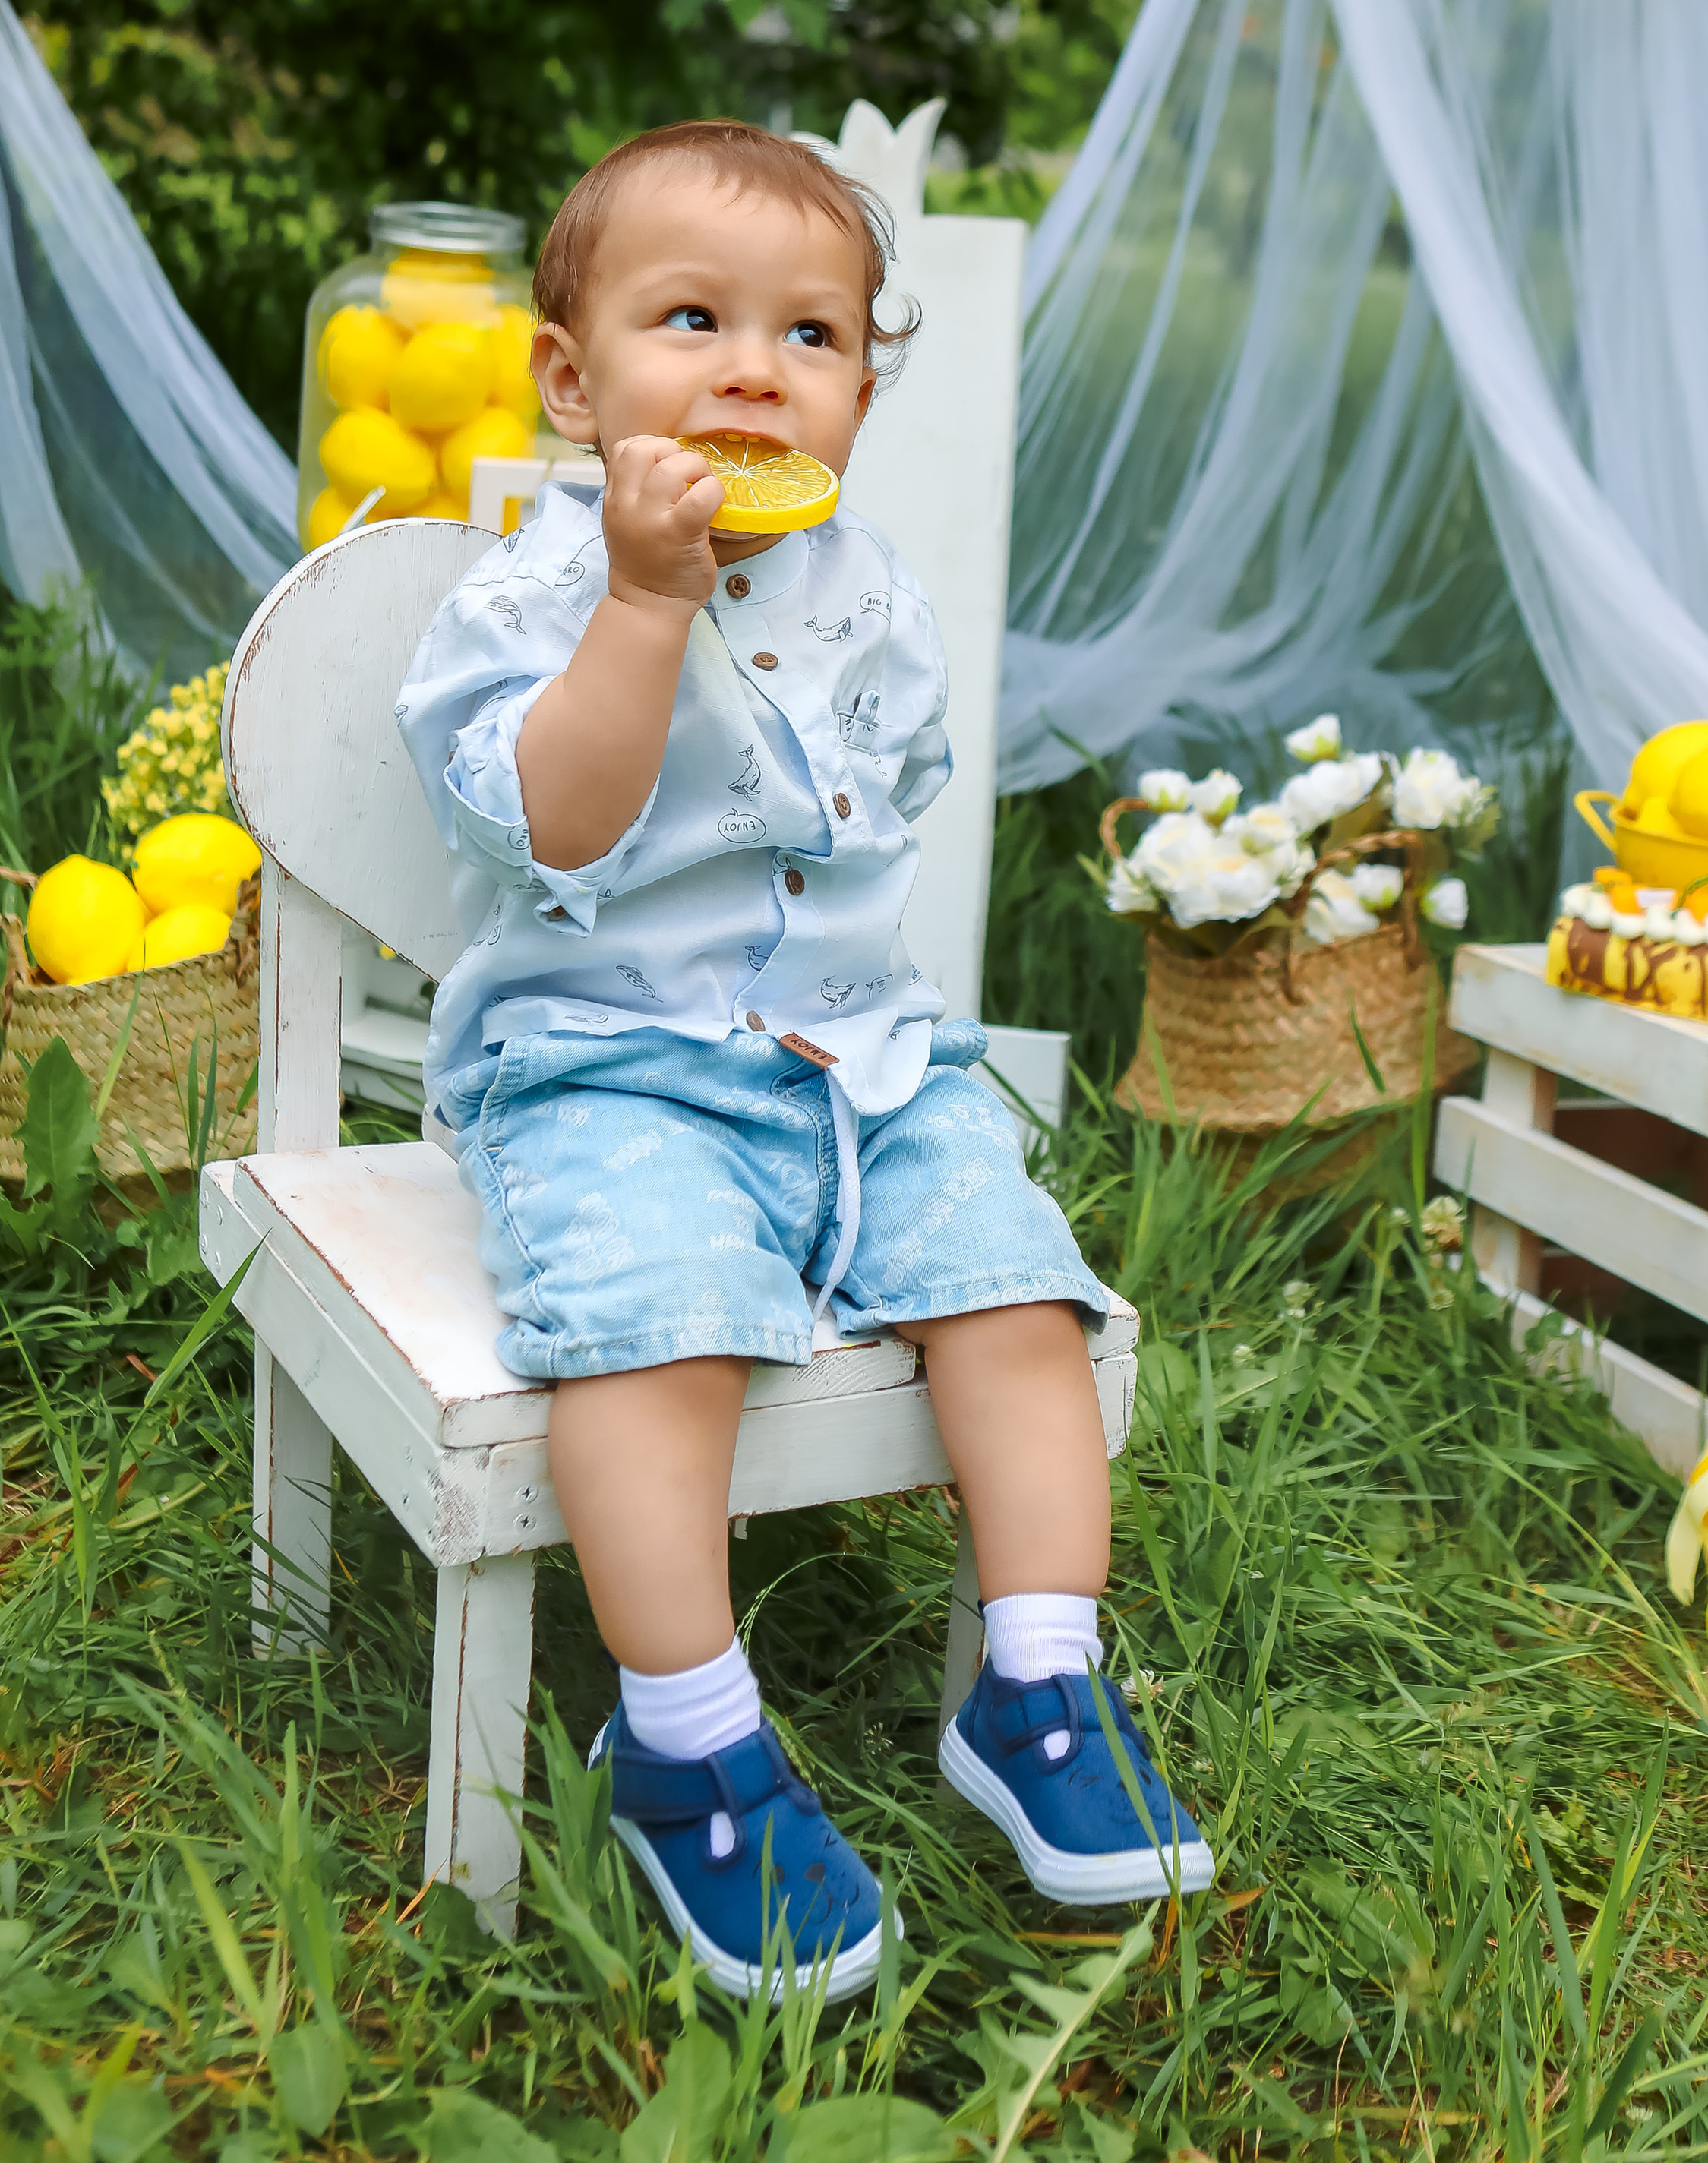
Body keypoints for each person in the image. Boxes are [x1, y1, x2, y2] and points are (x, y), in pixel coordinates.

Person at [399, 121, 1210, 1998]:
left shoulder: (872, 590)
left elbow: (873, 829)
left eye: (814, 336)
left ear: (860, 383)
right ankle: (682, 1736)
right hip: (607, 1071)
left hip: (854, 1068)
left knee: (1018, 1291)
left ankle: (1037, 1687)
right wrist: (648, 603)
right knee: (658, 1317)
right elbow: (566, 828)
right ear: (570, 379)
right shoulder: (528, 597)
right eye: (692, 321)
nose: (756, 370)